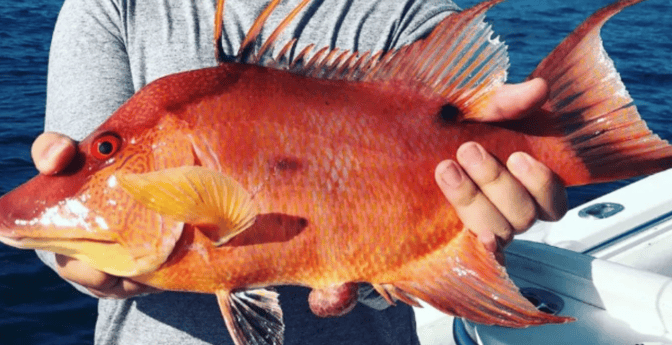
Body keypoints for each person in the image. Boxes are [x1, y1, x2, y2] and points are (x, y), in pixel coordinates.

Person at [31, 0, 567, 344]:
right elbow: (76, 200)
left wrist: (483, 221)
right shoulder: (113, 8)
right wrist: (69, 259)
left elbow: (471, 164)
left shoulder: (405, 13)